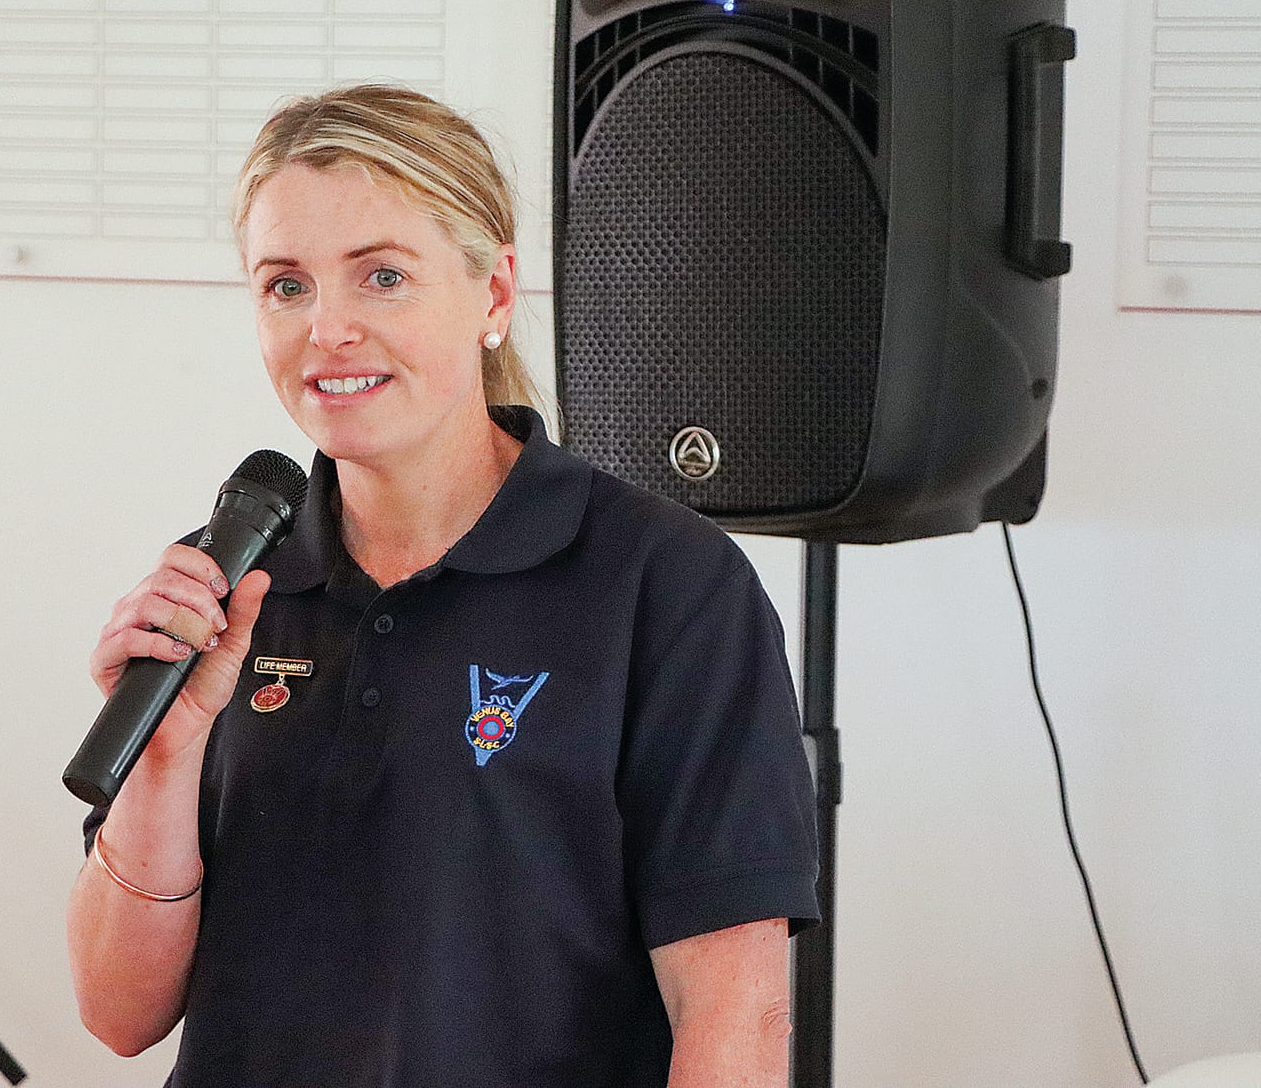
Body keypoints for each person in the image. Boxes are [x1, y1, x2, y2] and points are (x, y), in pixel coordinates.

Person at [66, 84, 820, 1087]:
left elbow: (733, 1015)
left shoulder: (664, 582)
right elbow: (118, 1012)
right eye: (285, 285)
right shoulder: (223, 586)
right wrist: (164, 761)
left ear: (493, 295)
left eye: (381, 276)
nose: (327, 327)